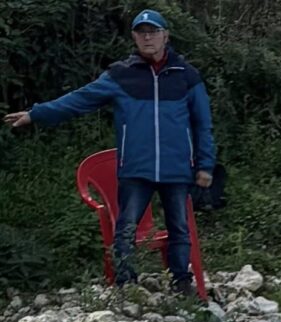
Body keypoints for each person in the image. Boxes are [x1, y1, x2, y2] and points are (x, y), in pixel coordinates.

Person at [3, 9, 216, 296]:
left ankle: (181, 282)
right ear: (134, 38)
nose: (147, 37)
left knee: (178, 227)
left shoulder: (187, 76)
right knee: (125, 227)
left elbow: (203, 124)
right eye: (141, 32)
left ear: (166, 36)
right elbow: (79, 100)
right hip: (135, 168)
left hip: (175, 167)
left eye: (153, 32)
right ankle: (126, 286)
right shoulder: (121, 74)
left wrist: (205, 165)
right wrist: (36, 114)